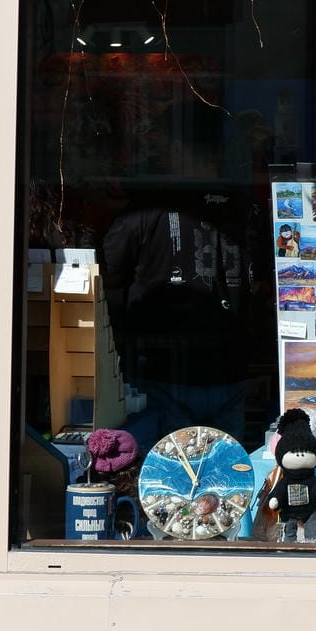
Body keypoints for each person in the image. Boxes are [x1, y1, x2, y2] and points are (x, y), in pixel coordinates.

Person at [102, 184, 263, 443]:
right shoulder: (240, 201)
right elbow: (261, 281)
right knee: (228, 463)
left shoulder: (148, 207)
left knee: (171, 463)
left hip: (166, 366)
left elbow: (108, 274)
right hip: (226, 364)